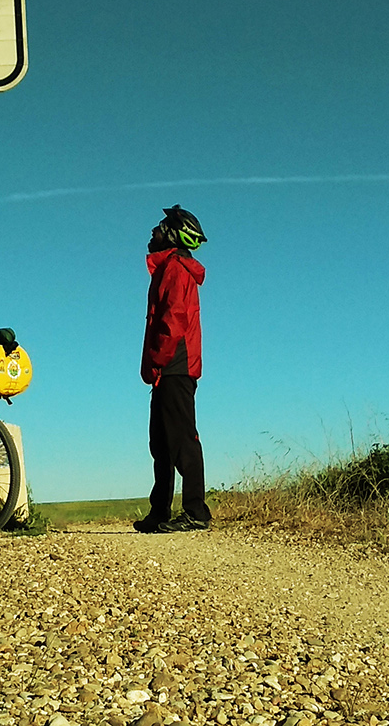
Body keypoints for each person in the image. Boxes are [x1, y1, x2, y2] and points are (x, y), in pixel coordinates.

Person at [135, 205, 211, 533]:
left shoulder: (176, 269)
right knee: (161, 443)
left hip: (175, 364)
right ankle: (160, 513)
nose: (153, 231)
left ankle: (196, 512)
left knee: (182, 439)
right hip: (169, 366)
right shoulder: (168, 268)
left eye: (160, 226)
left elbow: (173, 320)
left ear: (171, 234)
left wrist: (158, 361)